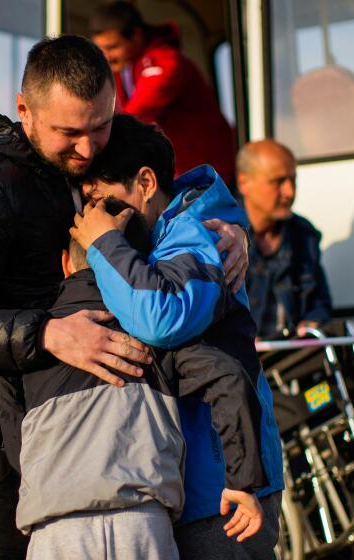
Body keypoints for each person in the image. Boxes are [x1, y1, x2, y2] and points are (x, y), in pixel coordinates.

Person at [0, 35, 249, 560]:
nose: (89, 148)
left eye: (101, 126)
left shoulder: (72, 170)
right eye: (69, 132)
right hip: (9, 450)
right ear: (25, 111)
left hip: (109, 447)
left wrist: (225, 231)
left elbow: (155, 192)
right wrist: (48, 333)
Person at [73, 114, 283, 558]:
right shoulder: (176, 235)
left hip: (222, 488)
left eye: (103, 201)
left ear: (146, 182)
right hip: (210, 482)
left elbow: (161, 317)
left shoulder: (197, 238)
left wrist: (102, 245)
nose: (96, 217)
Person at [18, 199, 262, 559]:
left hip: (53, 526)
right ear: (142, 263)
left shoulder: (39, 336)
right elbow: (228, 377)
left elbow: (9, 425)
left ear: (66, 264)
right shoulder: (149, 331)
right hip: (141, 521)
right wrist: (242, 481)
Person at [90, 1, 235, 182]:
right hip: (179, 172)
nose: (106, 56)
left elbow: (135, 116)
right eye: (100, 48)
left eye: (112, 47)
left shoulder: (167, 63)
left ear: (136, 36)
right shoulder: (125, 68)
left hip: (207, 171)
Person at [237, 139, 332, 338]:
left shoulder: (304, 236)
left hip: (290, 363)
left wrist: (311, 323)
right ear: (244, 183)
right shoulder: (216, 235)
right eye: (278, 182)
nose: (289, 192)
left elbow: (319, 304)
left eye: (293, 180)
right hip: (235, 365)